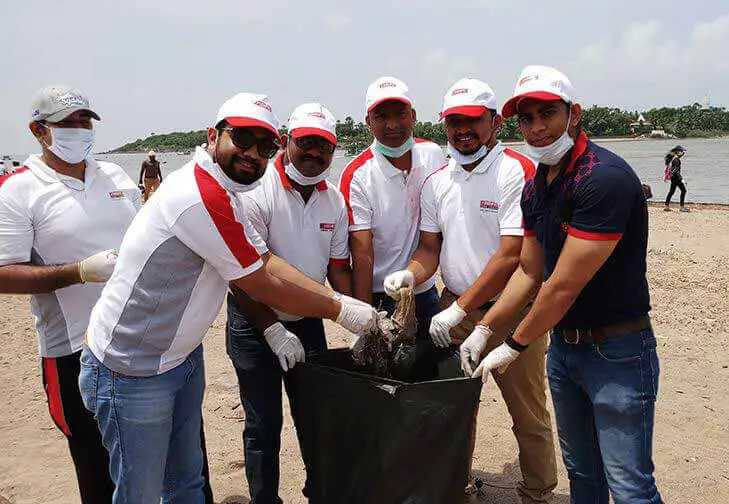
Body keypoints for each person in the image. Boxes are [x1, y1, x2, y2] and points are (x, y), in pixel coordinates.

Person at [78, 92, 378, 503]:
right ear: (213, 135)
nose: (253, 153)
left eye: (264, 145)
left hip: (180, 359)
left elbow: (267, 261)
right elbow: (258, 279)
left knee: (187, 482)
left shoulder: (230, 191)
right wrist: (342, 309)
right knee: (140, 493)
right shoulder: (202, 195)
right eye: (242, 138)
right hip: (133, 367)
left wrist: (346, 306)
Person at [467, 66, 662, 504]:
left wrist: (513, 344)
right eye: (527, 118)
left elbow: (561, 286)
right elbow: (529, 273)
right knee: (582, 473)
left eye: (547, 114)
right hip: (564, 349)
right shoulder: (538, 186)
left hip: (617, 350)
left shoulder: (601, 177)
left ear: (574, 113)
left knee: (629, 484)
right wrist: (483, 328)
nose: (536, 128)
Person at [383, 78, 557, 503]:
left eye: (473, 121)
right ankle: (455, 487)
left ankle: (537, 492)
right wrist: (410, 274)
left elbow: (511, 256)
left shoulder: (517, 172)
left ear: (495, 122)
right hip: (453, 310)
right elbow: (429, 247)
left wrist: (462, 308)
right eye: (454, 122)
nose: (463, 130)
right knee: (452, 409)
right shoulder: (438, 182)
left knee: (528, 412)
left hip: (513, 309)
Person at [0, 85, 138, 503]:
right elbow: (3, 274)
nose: (79, 130)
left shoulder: (113, 175)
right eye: (67, 124)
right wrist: (78, 272)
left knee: (142, 457)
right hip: (73, 348)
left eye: (84, 121)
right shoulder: (19, 190)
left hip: (135, 338)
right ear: (39, 131)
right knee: (96, 466)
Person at [228, 103, 351, 503]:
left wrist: (359, 313)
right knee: (263, 424)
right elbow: (245, 275)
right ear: (286, 142)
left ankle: (321, 494)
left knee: (315, 418)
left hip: (309, 319)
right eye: (307, 143)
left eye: (325, 147)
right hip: (255, 322)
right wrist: (272, 329)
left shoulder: (333, 201)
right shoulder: (254, 192)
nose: (315, 154)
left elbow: (336, 268)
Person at [338, 76, 446, 338]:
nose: (392, 125)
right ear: (368, 122)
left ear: (413, 115)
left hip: (424, 288)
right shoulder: (358, 175)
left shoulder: (433, 154)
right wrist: (366, 318)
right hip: (379, 294)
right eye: (381, 117)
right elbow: (362, 254)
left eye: (400, 114)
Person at [664, 145, 688, 212]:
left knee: (671, 192)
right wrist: (681, 179)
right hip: (676, 178)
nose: (683, 153)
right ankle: (682, 207)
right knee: (683, 191)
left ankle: (666, 206)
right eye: (682, 151)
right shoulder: (677, 160)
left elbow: (670, 169)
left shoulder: (673, 158)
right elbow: (676, 171)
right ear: (678, 152)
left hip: (673, 177)